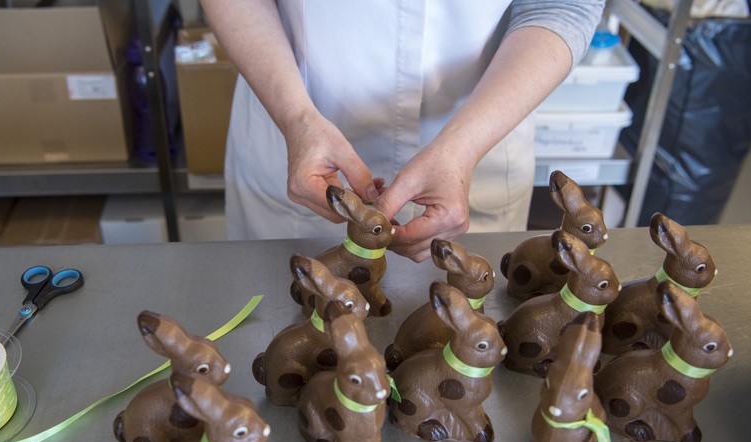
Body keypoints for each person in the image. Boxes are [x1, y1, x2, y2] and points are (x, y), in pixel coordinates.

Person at [199, 1, 606, 262]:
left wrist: (462, 148)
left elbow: (563, 6)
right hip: (292, 112)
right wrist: (295, 117)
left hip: (483, 130)